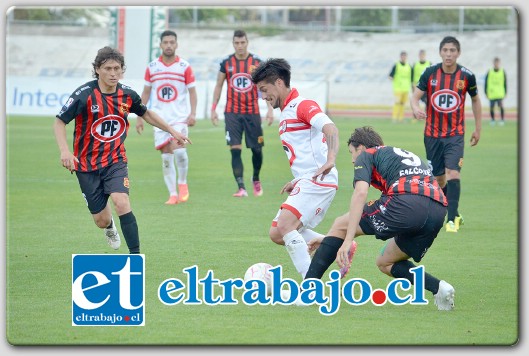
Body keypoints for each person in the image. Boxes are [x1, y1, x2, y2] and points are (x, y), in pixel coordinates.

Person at [54, 46, 190, 253]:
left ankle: (135, 257)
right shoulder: (84, 95)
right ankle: (109, 227)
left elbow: (146, 114)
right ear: (98, 69)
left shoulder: (127, 95)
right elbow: (59, 122)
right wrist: (65, 151)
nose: (113, 73)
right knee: (101, 219)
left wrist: (172, 130)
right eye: (108, 68)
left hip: (115, 160)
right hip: (86, 164)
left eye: (117, 68)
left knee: (121, 201)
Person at [305, 126, 455, 311]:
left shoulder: (366, 155)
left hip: (406, 203)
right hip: (437, 211)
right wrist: (331, 240)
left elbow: (360, 193)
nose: (353, 160)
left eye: (352, 153)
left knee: (340, 224)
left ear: (360, 148)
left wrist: (347, 239)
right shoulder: (396, 155)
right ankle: (439, 288)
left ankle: (306, 292)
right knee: (385, 262)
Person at [251, 58, 339, 280]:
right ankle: (333, 244)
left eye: (264, 90)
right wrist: (298, 179)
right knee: (277, 233)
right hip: (307, 179)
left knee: (285, 224)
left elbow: (330, 128)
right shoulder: (287, 111)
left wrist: (330, 159)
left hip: (319, 178)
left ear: (279, 83)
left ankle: (310, 286)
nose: (263, 97)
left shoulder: (302, 105)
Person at [410, 36, 482, 233]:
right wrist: (415, 108)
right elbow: (415, 97)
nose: (449, 54)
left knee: (453, 173)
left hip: (455, 135)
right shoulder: (430, 73)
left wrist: (478, 128)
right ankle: (455, 213)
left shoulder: (467, 76)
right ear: (440, 52)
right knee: (439, 179)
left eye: (452, 50)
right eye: (445, 50)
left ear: (458, 53)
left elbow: (475, 100)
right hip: (432, 135)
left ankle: (451, 219)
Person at [136, 30, 198, 205]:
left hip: (179, 117)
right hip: (158, 118)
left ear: (176, 45)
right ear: (160, 45)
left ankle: (182, 183)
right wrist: (140, 116)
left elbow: (193, 92)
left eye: (172, 42)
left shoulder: (184, 67)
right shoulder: (152, 67)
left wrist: (193, 113)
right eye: (166, 42)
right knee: (165, 155)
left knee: (179, 151)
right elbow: (146, 92)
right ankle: (172, 194)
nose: (169, 45)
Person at [210, 29, 274, 197]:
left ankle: (256, 178)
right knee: (235, 149)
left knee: (257, 150)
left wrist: (269, 109)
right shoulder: (226, 63)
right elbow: (219, 85)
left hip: (252, 112)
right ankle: (241, 187)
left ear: (247, 43)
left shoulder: (257, 62)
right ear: (233, 44)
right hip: (232, 113)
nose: (240, 46)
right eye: (236, 43)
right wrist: (213, 109)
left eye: (242, 43)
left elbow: (264, 87)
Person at [388, 51, 413, 123]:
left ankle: (401, 118)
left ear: (406, 57)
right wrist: (393, 79)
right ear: (400, 57)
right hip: (398, 88)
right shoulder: (396, 65)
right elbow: (390, 76)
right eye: (402, 56)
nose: (404, 58)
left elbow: (411, 78)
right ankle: (394, 118)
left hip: (406, 88)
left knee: (402, 104)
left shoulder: (409, 66)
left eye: (405, 56)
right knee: (397, 103)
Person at [484, 57, 507, 126]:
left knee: (501, 106)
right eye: (495, 62)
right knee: (491, 107)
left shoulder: (502, 71)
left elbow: (505, 82)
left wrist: (505, 92)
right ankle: (492, 120)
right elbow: (486, 82)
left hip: (500, 93)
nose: (496, 64)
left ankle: (502, 120)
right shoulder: (489, 71)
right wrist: (486, 92)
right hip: (492, 93)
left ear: (499, 63)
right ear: (493, 63)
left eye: (497, 62)